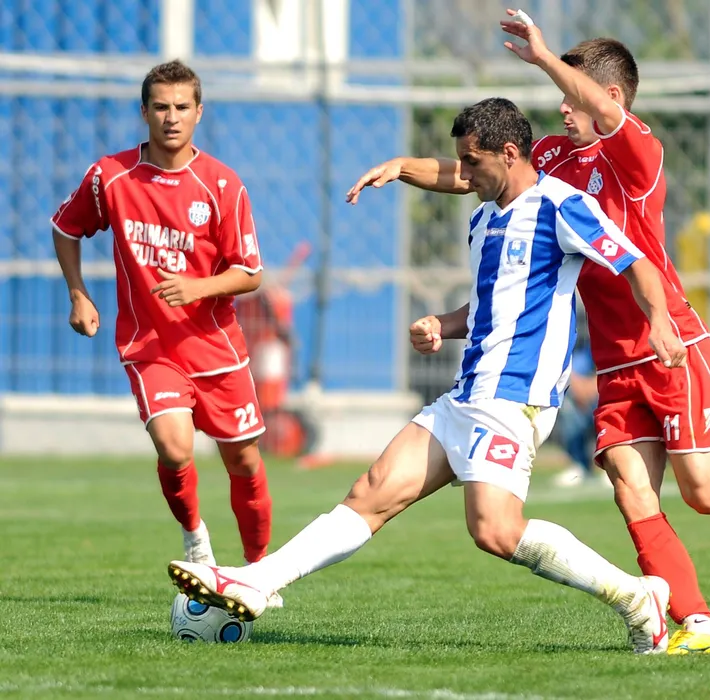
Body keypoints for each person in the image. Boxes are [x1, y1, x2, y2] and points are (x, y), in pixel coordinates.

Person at [343, 10, 710, 655]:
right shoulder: (552, 158)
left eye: (572, 96)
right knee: (633, 491)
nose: (562, 108)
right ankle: (699, 624)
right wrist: (402, 167)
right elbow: (475, 174)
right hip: (615, 362)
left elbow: (599, 117)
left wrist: (545, 57)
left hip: (670, 343)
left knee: (707, 493)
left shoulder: (636, 156)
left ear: (610, 98)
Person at [167, 97, 683, 655]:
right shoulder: (485, 218)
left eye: (472, 162)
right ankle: (257, 581)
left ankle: (637, 598)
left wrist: (659, 322)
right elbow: (491, 305)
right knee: (371, 492)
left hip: (514, 396)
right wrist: (444, 323)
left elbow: (635, 262)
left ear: (509, 154)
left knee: (495, 530)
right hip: (468, 392)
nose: (463, 174)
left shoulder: (561, 205)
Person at [51, 60, 276, 577]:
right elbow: (65, 228)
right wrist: (78, 294)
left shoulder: (222, 185)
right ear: (144, 112)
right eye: (160, 107)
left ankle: (259, 570)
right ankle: (195, 538)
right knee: (175, 449)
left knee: (243, 461)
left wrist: (198, 287)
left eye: (181, 107)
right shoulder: (111, 176)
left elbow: (250, 273)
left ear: (199, 112)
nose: (171, 117)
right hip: (150, 345)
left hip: (216, 347)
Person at [552, 340, 605, 487]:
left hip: (606, 394)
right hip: (584, 400)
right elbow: (570, 371)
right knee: (566, 404)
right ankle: (579, 465)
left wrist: (596, 386)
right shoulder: (584, 348)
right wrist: (579, 388)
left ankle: (612, 465)